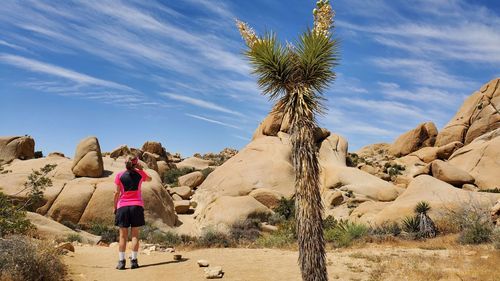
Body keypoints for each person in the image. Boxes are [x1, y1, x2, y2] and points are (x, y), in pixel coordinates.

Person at [114, 156, 151, 270]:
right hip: (136, 206)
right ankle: (134, 261)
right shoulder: (140, 175)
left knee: (122, 236)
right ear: (136, 164)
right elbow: (150, 179)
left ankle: (121, 262)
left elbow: (116, 192)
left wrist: (115, 207)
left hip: (123, 207)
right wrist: (141, 169)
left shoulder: (119, 175)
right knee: (135, 235)